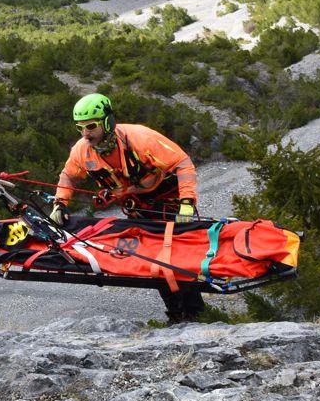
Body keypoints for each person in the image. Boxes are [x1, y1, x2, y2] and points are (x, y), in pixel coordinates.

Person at [50, 93, 205, 322]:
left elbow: (182, 163)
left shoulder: (140, 138)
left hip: (168, 200)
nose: (85, 133)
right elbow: (69, 176)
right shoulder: (82, 151)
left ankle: (196, 313)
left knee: (178, 258)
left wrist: (186, 203)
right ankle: (176, 314)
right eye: (80, 128)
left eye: (90, 126)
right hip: (138, 208)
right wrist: (60, 203)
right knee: (154, 260)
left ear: (107, 122)